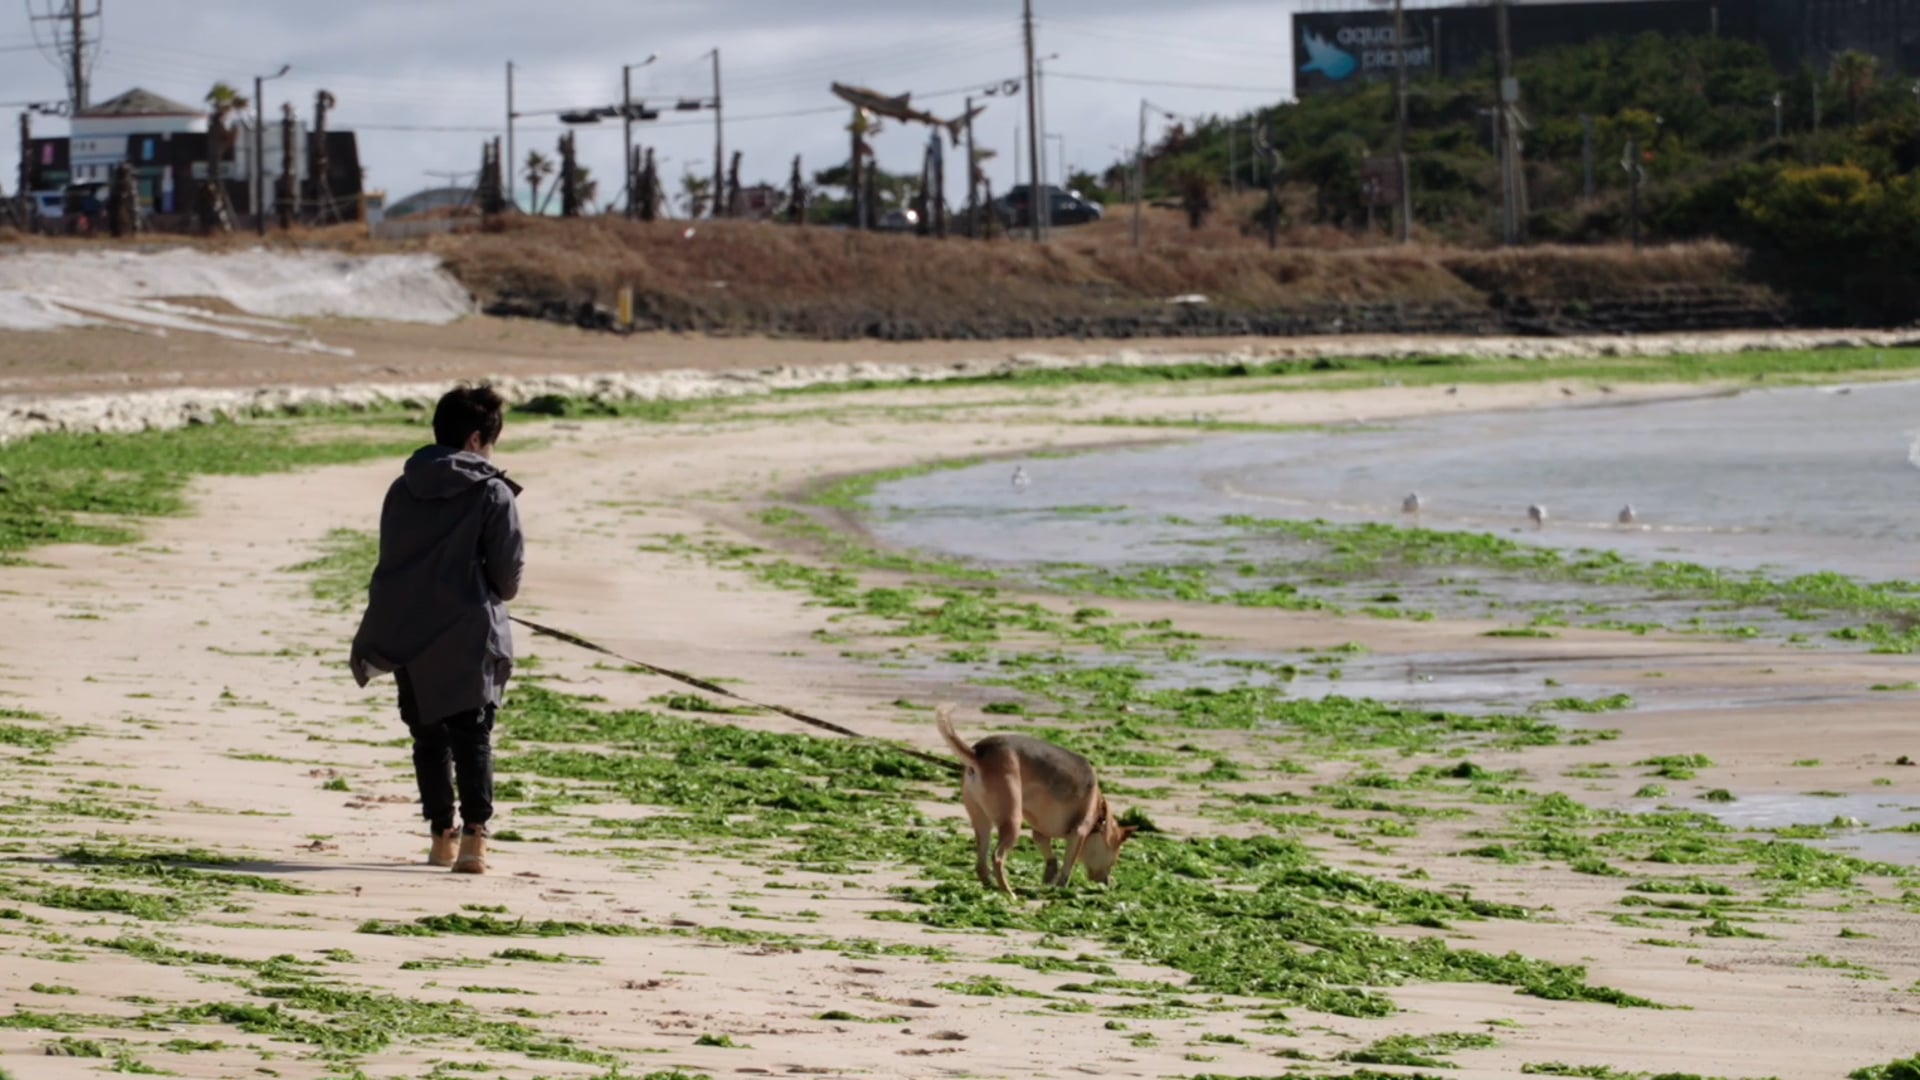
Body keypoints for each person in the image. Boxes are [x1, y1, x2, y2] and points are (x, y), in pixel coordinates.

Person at [350, 385, 525, 874]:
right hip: (469, 627)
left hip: (407, 623)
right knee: (472, 734)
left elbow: (396, 558)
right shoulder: (492, 491)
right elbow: (509, 578)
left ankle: (440, 836)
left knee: (428, 736)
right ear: (475, 440)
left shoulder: (402, 488)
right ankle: (474, 839)